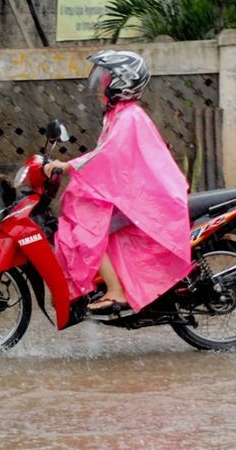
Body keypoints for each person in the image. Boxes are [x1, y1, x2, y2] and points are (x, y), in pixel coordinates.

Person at [43, 50, 192, 314]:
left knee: (84, 230)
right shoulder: (119, 115)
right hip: (135, 196)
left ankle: (116, 292)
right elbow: (108, 157)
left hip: (145, 200)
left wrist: (67, 166)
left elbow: (107, 156)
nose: (101, 84)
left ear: (121, 84)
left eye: (106, 79)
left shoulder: (128, 117)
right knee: (86, 220)